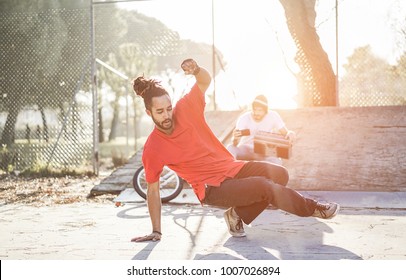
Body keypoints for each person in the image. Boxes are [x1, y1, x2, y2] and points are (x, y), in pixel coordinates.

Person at [131, 58, 339, 242]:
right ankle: (313, 208)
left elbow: (204, 81)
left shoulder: (185, 108)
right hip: (211, 187)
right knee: (263, 186)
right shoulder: (153, 148)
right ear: (149, 113)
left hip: (231, 168)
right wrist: (156, 231)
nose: (167, 115)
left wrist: (196, 70)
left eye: (168, 108)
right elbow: (153, 190)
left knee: (279, 174)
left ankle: (236, 216)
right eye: (160, 112)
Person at [227, 95, 295, 164]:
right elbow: (235, 144)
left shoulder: (273, 116)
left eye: (259, 110)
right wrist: (235, 139)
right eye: (254, 109)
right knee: (230, 148)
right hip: (245, 150)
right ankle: (231, 170)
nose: (256, 113)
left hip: (263, 153)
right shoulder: (244, 118)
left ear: (266, 111)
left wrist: (290, 133)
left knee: (277, 161)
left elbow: (286, 133)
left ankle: (261, 168)